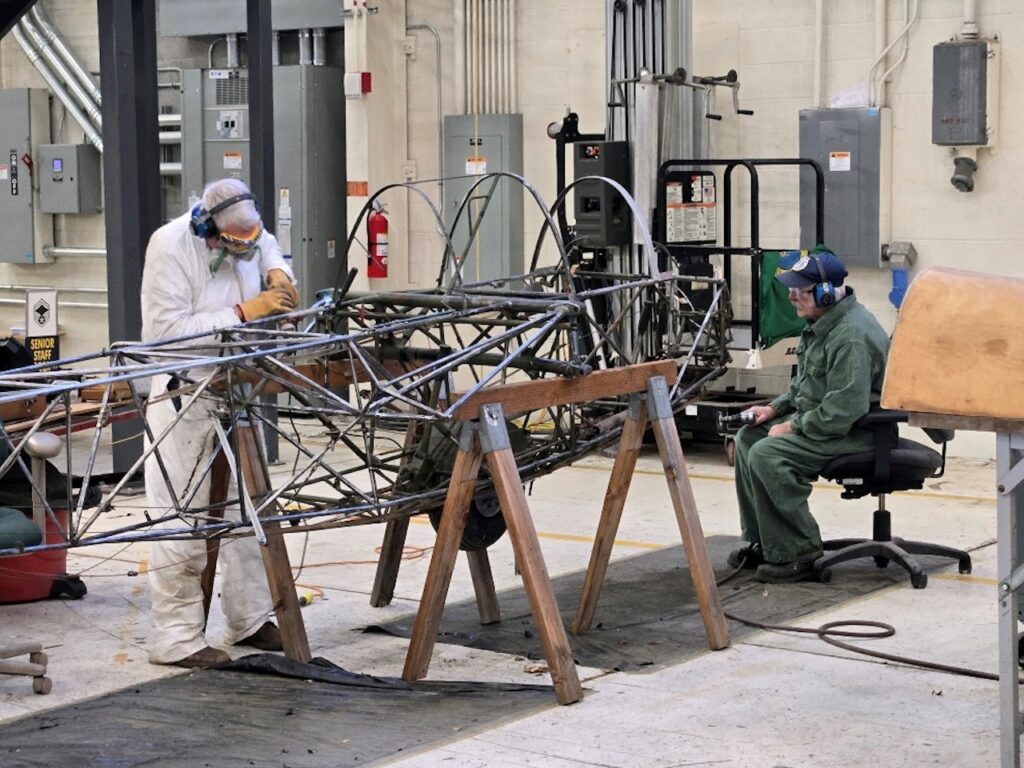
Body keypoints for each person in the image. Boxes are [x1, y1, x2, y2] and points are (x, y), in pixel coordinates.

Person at [140, 178, 300, 667]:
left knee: (244, 511)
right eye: (233, 245)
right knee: (181, 516)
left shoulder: (247, 233)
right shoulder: (170, 247)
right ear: (208, 229)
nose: (242, 251)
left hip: (236, 386)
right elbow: (165, 334)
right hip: (184, 392)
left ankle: (248, 619)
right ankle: (176, 637)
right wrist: (242, 313)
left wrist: (276, 272)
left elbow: (265, 241)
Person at [728, 248, 890, 583]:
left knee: (767, 453)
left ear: (827, 292)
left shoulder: (850, 336)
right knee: (748, 437)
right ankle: (768, 542)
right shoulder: (821, 323)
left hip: (856, 431)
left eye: (798, 291)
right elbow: (807, 385)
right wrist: (774, 409)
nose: (790, 298)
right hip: (832, 423)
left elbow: (843, 410)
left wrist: (792, 426)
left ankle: (798, 553)